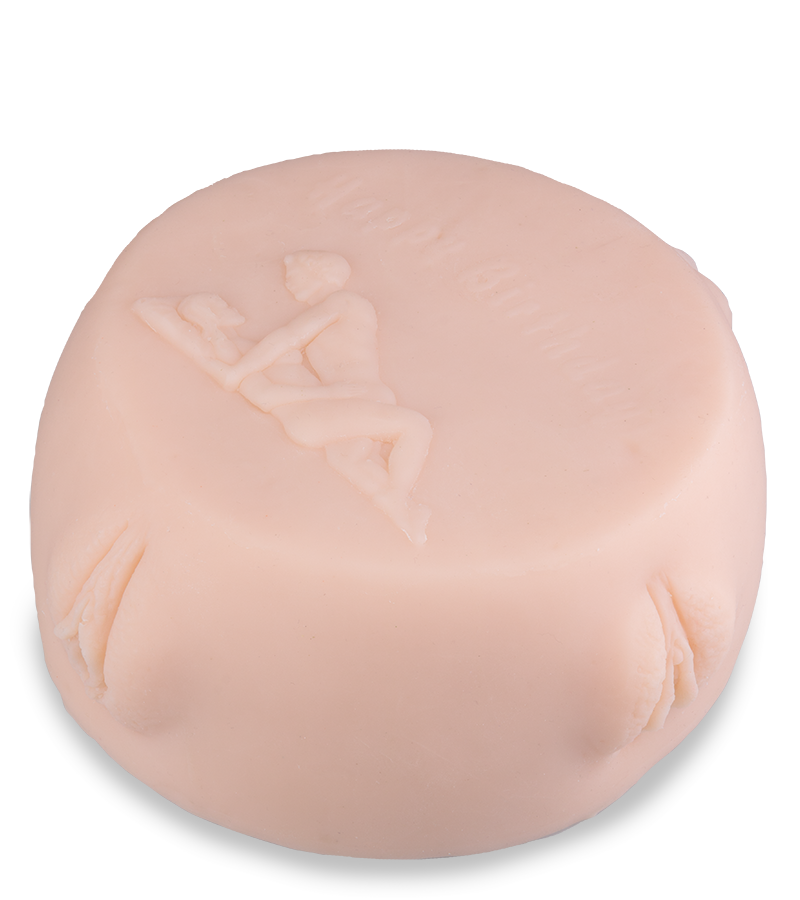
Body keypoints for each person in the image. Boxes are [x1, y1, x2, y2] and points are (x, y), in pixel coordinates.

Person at [133, 252, 432, 545]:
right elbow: (281, 349)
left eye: (294, 275)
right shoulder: (233, 349)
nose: (289, 282)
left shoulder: (343, 301)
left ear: (316, 275)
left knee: (352, 460)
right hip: (323, 410)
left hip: (341, 404)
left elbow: (288, 338)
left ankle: (404, 518)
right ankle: (398, 496)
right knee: (415, 426)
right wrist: (238, 371)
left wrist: (238, 369)